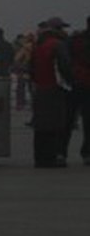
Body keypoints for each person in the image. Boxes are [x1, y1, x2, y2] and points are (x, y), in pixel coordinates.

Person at [31, 17, 73, 168]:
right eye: (62, 28)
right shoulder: (58, 45)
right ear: (57, 30)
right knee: (56, 124)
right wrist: (71, 83)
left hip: (40, 89)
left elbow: (31, 69)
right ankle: (52, 157)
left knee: (41, 125)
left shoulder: (38, 45)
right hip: (55, 89)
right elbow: (65, 68)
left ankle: (40, 157)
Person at [65, 17, 90, 166]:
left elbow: (66, 60)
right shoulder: (76, 40)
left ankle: (61, 152)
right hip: (86, 84)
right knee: (89, 122)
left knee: (68, 120)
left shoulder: (75, 40)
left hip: (75, 83)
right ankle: (87, 153)